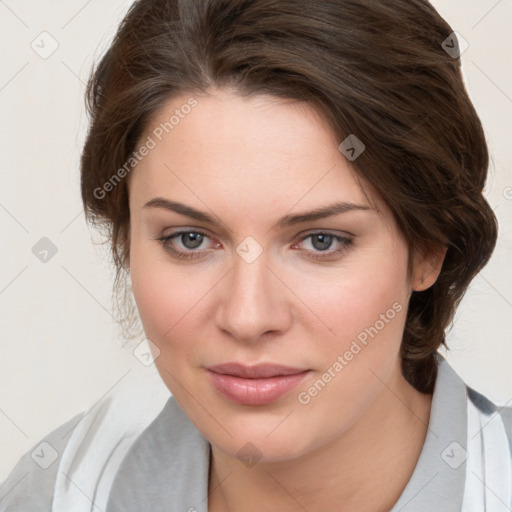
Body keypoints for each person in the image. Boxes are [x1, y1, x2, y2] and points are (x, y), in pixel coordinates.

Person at [1, 0, 511, 510]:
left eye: (321, 241)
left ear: (428, 249)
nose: (247, 318)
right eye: (190, 239)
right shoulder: (55, 492)